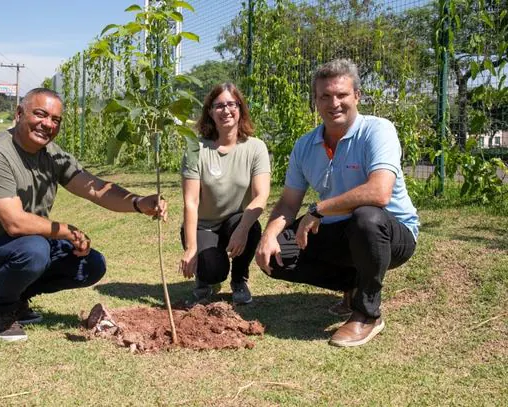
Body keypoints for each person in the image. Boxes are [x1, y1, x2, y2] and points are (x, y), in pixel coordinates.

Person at [0, 88, 167, 342]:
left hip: (27, 246)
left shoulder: (52, 155)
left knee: (90, 264)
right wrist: (68, 231)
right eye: (40, 114)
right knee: (33, 250)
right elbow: (14, 223)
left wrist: (138, 202)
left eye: (56, 120)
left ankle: (18, 299)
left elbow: (94, 189)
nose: (47, 124)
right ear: (19, 113)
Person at [255, 59, 419, 347]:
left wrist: (319, 209)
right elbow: (288, 203)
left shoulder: (378, 130)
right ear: (315, 102)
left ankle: (367, 314)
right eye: (325, 96)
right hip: (341, 229)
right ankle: (353, 284)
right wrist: (268, 236)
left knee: (366, 217)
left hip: (391, 233)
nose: (335, 103)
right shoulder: (304, 145)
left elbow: (379, 193)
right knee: (279, 254)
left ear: (357, 96)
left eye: (342, 95)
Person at [179, 83, 270, 305]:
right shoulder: (195, 149)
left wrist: (242, 230)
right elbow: (191, 202)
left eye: (232, 104)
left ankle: (239, 280)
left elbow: (261, 196)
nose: (226, 111)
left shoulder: (255, 147)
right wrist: (192, 247)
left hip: (235, 220)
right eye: (219, 106)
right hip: (204, 224)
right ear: (210, 111)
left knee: (251, 226)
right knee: (213, 272)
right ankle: (204, 279)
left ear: (240, 109)